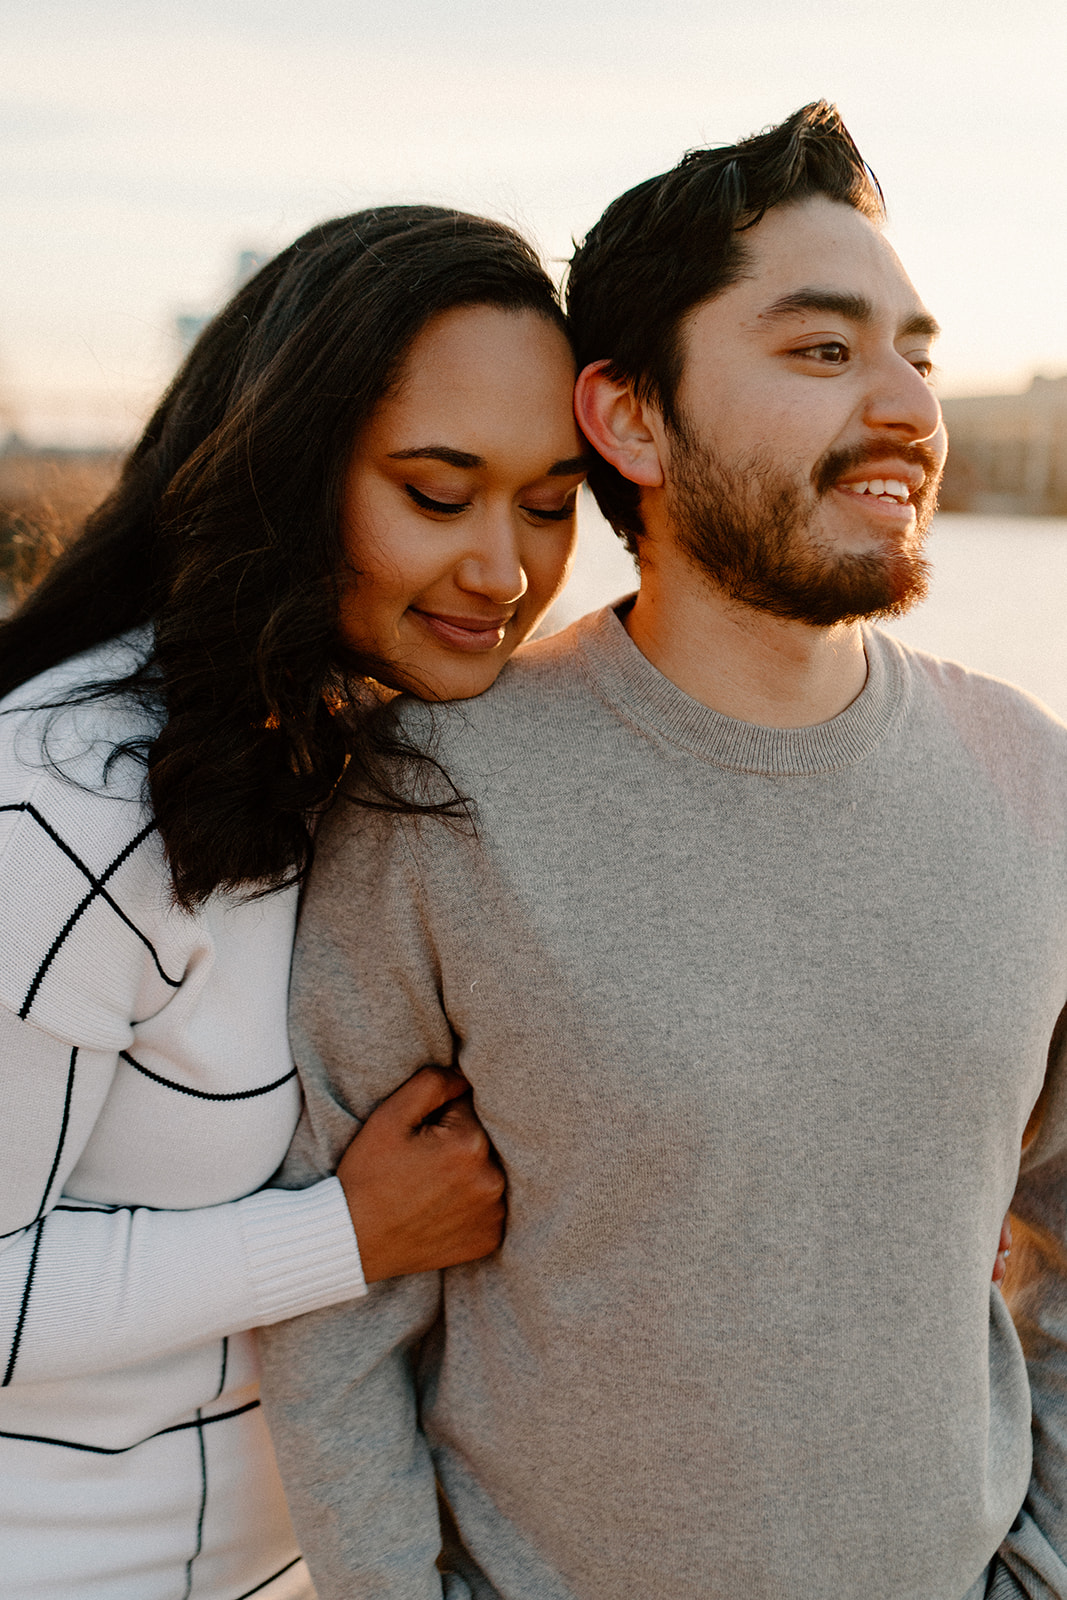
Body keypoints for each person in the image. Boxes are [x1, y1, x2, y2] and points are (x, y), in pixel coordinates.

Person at [259, 104, 1067, 1600]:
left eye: (918, 352)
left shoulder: (1035, 777)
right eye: (822, 351)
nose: (903, 405)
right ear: (631, 418)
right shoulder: (437, 795)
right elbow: (334, 1312)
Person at [0, 206, 588, 1599]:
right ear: (288, 472)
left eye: (554, 504)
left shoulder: (378, 756)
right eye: (437, 495)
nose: (506, 571)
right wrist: (346, 1237)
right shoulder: (73, 798)